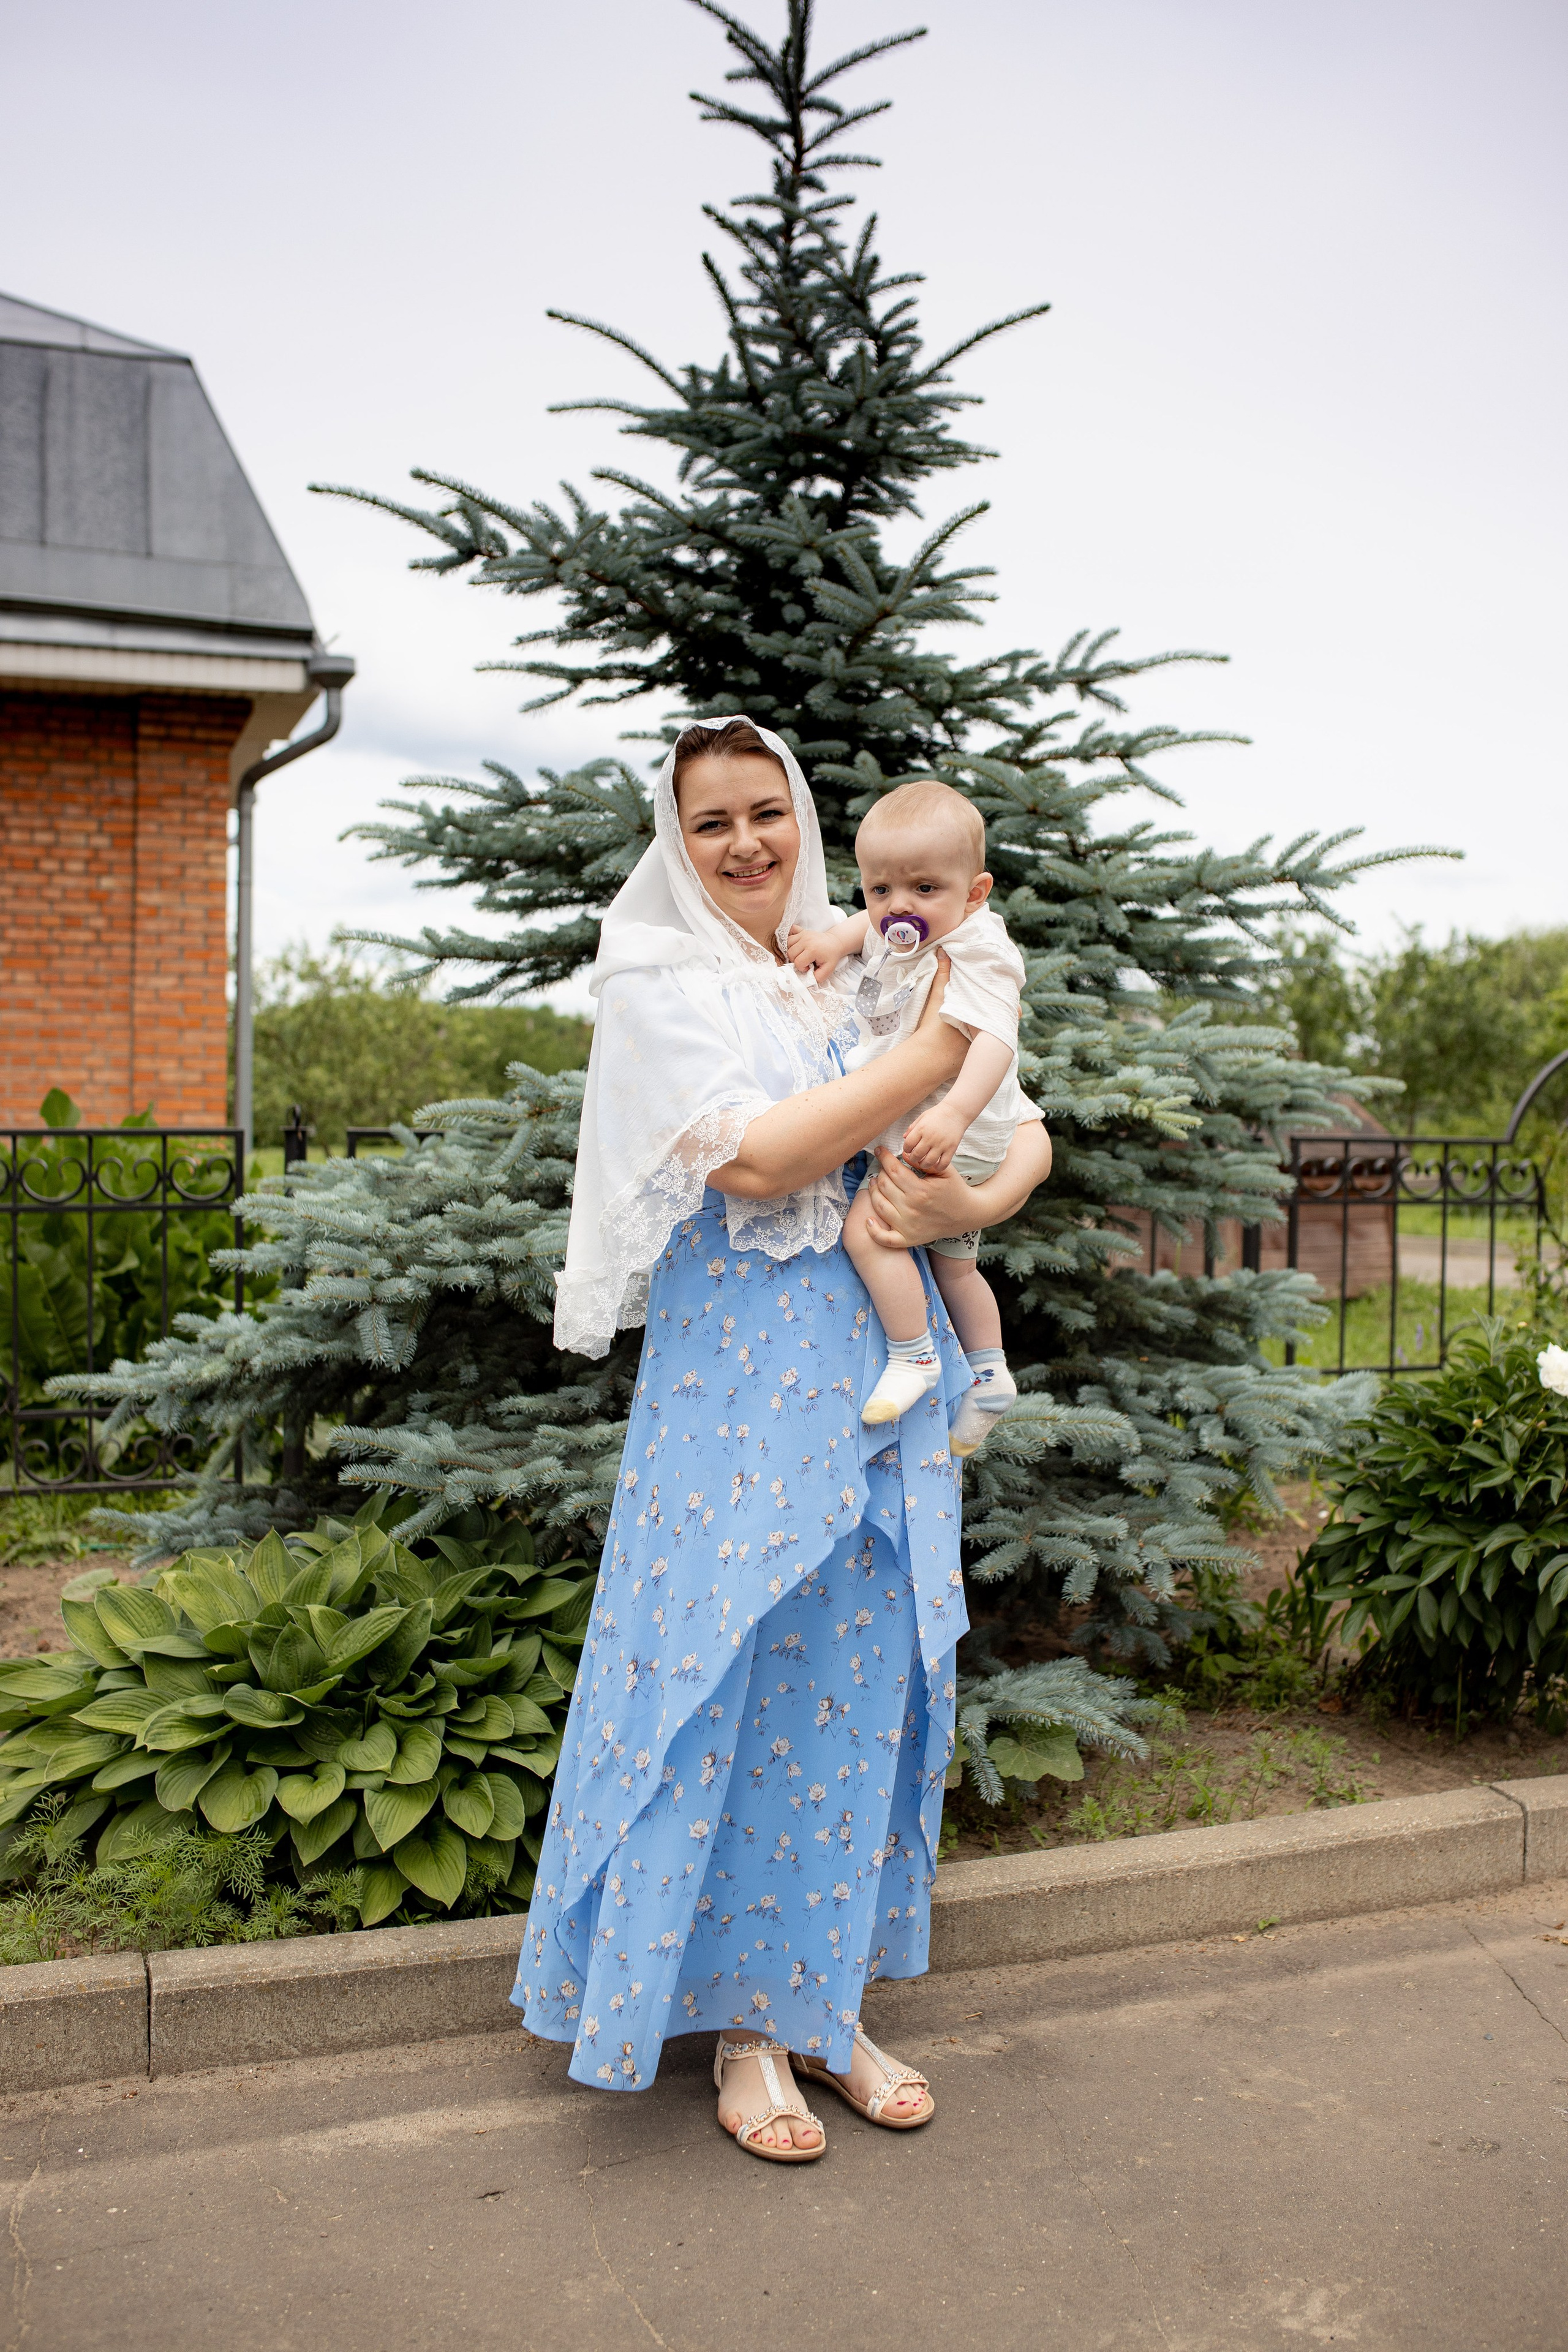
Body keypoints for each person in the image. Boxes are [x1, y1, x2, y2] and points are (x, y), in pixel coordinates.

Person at [515, 716, 1052, 2162]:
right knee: (733, 1678)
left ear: (800, 822)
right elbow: (760, 1156)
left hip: (886, 1384)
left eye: (766, 811)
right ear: (676, 842)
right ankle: (746, 2033)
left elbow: (1019, 1118)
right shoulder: (660, 989)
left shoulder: (853, 957)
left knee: (861, 1683)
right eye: (711, 823)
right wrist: (942, 1039)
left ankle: (828, 2007)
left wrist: (976, 1205)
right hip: (738, 1398)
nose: (745, 841)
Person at [786, 778, 1036, 1455]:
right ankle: (988, 1374)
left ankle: (915, 1355)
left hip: (958, 1128)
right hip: (951, 1129)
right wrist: (836, 942)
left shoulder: (977, 947)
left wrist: (954, 1113)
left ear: (975, 893)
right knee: (955, 1267)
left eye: (924, 888)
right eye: (880, 889)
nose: (899, 907)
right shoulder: (904, 928)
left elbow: (993, 1037)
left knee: (869, 1234)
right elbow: (869, 929)